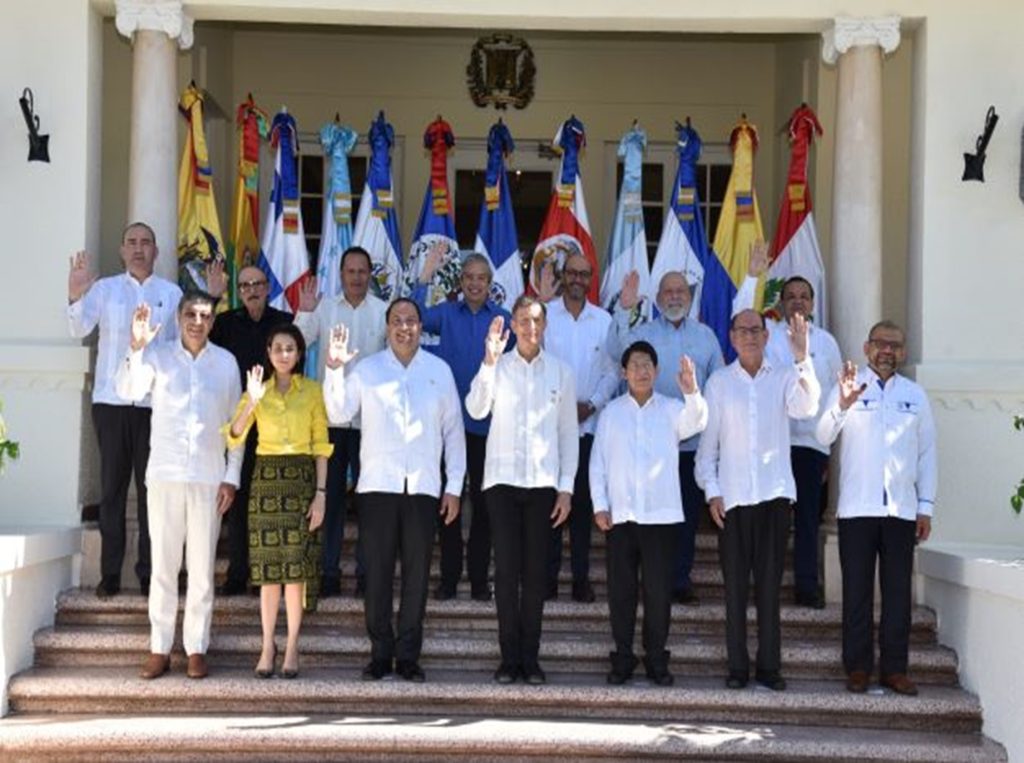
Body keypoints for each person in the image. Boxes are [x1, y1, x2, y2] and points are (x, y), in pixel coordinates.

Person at [323, 298, 465, 683]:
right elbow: (337, 414)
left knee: (417, 576)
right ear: (387, 328)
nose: (405, 328)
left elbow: (453, 433)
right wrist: (335, 370)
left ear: (422, 327)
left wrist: (454, 487)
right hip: (378, 487)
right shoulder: (367, 370)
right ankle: (380, 653)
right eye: (397, 321)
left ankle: (408, 657)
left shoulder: (440, 372)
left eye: (411, 321)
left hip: (423, 488)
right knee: (378, 574)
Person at [115, 293, 242, 680]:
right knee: (164, 567)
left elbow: (239, 424)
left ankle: (196, 648)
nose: (197, 321)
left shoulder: (226, 363)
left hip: (208, 477)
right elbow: (128, 389)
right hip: (165, 474)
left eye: (205, 315)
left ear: (213, 322)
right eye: (190, 314)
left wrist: (231, 476)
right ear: (179, 317)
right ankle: (159, 647)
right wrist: (136, 347)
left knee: (202, 568)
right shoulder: (158, 355)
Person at [695, 308, 820, 691]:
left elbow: (808, 407)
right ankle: (737, 668)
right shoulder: (718, 383)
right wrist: (712, 491)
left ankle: (769, 667)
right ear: (731, 338)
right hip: (732, 502)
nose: (749, 336)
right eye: (742, 330)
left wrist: (802, 358)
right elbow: (706, 449)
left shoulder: (785, 377)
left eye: (756, 330)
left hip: (774, 496)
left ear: (767, 338)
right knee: (734, 590)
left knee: (769, 587)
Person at [816, 321, 936, 696]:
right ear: (867, 348)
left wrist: (925, 506)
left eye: (895, 345)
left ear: (902, 352)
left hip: (901, 510)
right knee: (857, 593)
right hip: (857, 509)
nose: (888, 350)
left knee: (898, 594)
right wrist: (841, 403)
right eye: (881, 343)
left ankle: (894, 670)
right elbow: (822, 436)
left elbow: (927, 453)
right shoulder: (849, 386)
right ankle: (857, 668)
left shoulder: (916, 396)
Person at [466, 296, 578, 685]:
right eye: (523, 321)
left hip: (543, 485)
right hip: (501, 482)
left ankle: (530, 659)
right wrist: (489, 362)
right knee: (507, 570)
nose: (530, 328)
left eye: (536, 321)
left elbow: (568, 434)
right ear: (512, 325)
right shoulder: (497, 367)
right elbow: (476, 409)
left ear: (545, 326)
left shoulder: (561, 373)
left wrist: (566, 489)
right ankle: (507, 658)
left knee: (535, 576)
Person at [67, 222, 183, 599]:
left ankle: (150, 573)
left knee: (154, 494)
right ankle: (110, 574)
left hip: (155, 406)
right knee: (112, 492)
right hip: (111, 403)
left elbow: (181, 351)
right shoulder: (104, 290)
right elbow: (77, 328)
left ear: (156, 251)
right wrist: (75, 294)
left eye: (146, 242)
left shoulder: (172, 294)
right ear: (121, 250)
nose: (138, 248)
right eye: (131, 242)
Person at [590, 341, 707, 686]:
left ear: (656, 372)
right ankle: (623, 657)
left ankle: (657, 658)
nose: (641, 370)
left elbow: (697, 421)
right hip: (622, 518)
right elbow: (598, 464)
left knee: (658, 594)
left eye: (647, 365)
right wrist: (600, 505)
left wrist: (692, 392)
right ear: (624, 373)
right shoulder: (611, 414)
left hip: (661, 518)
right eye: (635, 365)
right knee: (621, 593)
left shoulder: (673, 410)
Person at [735, 242, 842, 608]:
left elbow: (833, 396)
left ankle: (806, 587)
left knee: (809, 519)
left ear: (812, 303)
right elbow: (741, 316)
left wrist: (829, 448)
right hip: (774, 443)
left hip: (811, 445)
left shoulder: (827, 343)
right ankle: (763, 584)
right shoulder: (768, 337)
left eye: (803, 296)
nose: (797, 301)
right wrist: (752, 275)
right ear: (780, 303)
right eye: (790, 296)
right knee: (768, 520)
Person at [610, 269, 724, 605]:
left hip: (690, 446)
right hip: (650, 445)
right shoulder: (642, 332)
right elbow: (616, 351)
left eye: (680, 292)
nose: (675, 297)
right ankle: (649, 580)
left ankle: (678, 580)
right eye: (668, 292)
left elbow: (716, 387)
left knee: (685, 516)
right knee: (649, 517)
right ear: (658, 300)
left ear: (689, 299)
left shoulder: (706, 337)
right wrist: (622, 309)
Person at [227, 324, 332, 679]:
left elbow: (321, 446)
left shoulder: (313, 392)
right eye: (277, 348)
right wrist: (252, 401)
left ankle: (292, 646)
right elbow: (234, 435)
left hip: (301, 479)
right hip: (267, 481)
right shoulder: (259, 390)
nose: (284, 354)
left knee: (296, 571)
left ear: (299, 353)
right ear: (268, 354)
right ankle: (267, 644)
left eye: (290, 348)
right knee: (270, 571)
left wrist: (320, 495)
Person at [411, 246, 514, 601]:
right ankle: (450, 578)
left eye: (481, 279)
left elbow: (525, 359)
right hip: (448, 425)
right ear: (460, 281)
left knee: (486, 508)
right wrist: (424, 277)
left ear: (490, 284)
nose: (474, 284)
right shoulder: (447, 314)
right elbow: (414, 316)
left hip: (489, 427)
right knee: (449, 503)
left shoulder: (503, 318)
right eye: (468, 277)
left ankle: (480, 580)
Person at [295, 246, 387, 597]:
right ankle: (329, 573)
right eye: (350, 271)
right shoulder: (325, 308)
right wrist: (304, 312)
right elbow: (298, 343)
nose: (357, 277)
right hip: (331, 421)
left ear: (370, 273)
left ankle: (367, 574)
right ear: (342, 274)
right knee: (329, 500)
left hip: (371, 423)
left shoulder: (383, 312)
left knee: (369, 503)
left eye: (363, 271)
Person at [209, 265, 293, 596]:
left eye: (257, 284)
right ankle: (237, 573)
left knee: (270, 502)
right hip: (239, 419)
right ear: (239, 291)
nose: (252, 290)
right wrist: (213, 296)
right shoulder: (227, 322)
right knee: (240, 501)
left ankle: (267, 575)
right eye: (245, 285)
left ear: (268, 287)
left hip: (276, 422)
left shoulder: (284, 321)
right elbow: (198, 339)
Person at [543, 253, 618, 603]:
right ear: (562, 276)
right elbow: (537, 364)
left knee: (584, 507)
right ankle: (549, 576)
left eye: (583, 274)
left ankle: (581, 579)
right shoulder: (546, 317)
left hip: (589, 427)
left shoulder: (604, 321)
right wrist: (559, 406)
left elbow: (612, 371)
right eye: (571, 272)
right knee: (552, 504)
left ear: (591, 279)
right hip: (551, 428)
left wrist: (593, 404)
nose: (576, 278)